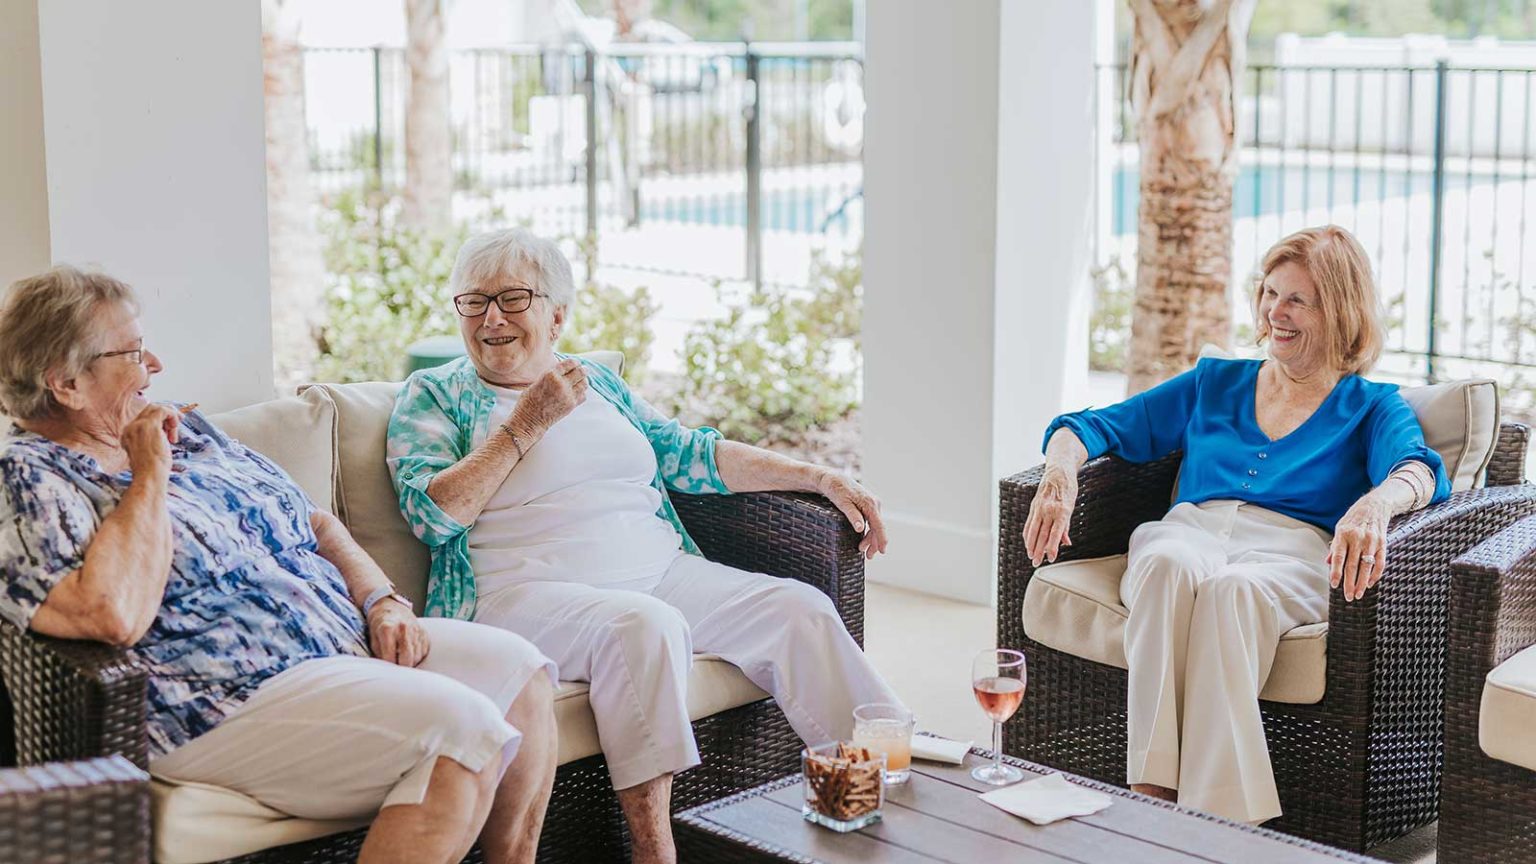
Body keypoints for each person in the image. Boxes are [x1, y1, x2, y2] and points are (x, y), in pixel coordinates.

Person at [0, 266, 560, 864]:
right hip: (221, 697)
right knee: (462, 729)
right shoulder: (32, 478)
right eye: (134, 352)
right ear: (65, 383)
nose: (156, 364)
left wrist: (381, 600)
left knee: (520, 673)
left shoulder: (185, 431)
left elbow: (315, 521)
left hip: (338, 650)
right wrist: (148, 472)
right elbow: (112, 614)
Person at [386, 228, 903, 864]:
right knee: (642, 625)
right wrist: (529, 422)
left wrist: (818, 476)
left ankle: (865, 806)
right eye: (474, 301)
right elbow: (433, 513)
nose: (491, 317)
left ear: (557, 314)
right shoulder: (435, 395)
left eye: (512, 298)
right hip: (519, 593)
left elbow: (690, 454)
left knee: (799, 610)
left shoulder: (597, 381)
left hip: (658, 569)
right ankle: (654, 849)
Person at [1023, 225, 1450, 824]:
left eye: (1298, 299)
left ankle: (1204, 825)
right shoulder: (1215, 382)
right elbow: (1090, 425)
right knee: (1170, 565)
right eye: (1270, 292)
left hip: (1291, 557)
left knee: (1234, 592)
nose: (1276, 311)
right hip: (1189, 532)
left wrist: (1376, 504)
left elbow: (1420, 470)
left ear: (1341, 311)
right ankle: (1163, 805)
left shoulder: (1371, 405)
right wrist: (1060, 475)